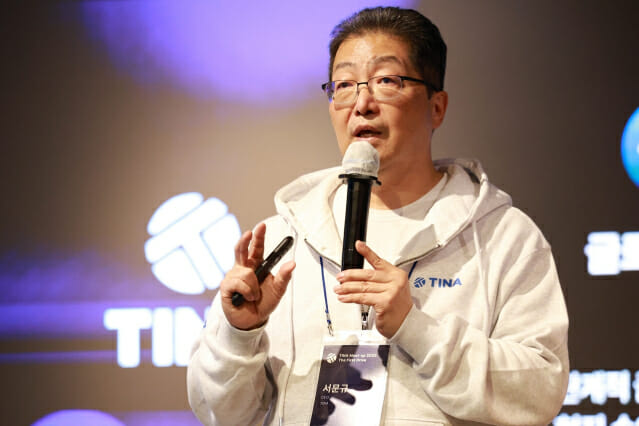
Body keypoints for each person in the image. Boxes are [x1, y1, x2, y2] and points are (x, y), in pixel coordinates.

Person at [187, 6, 569, 425]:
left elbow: (539, 393)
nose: (362, 104)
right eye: (344, 85)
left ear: (437, 107)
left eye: (386, 81)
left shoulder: (502, 236)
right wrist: (239, 334)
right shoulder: (284, 241)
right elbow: (219, 412)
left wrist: (416, 328)